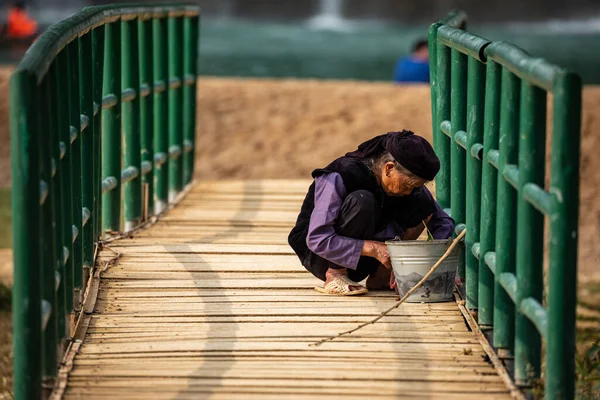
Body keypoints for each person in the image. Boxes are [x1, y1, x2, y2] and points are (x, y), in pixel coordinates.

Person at [288, 130, 455, 296]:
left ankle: (383, 275)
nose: (408, 192)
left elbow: (442, 221)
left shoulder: (410, 188)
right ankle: (336, 274)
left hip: (369, 258)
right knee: (362, 201)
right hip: (321, 255)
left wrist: (435, 264)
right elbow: (318, 238)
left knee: (423, 204)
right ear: (389, 168)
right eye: (406, 186)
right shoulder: (341, 174)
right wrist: (374, 249)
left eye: (415, 186)